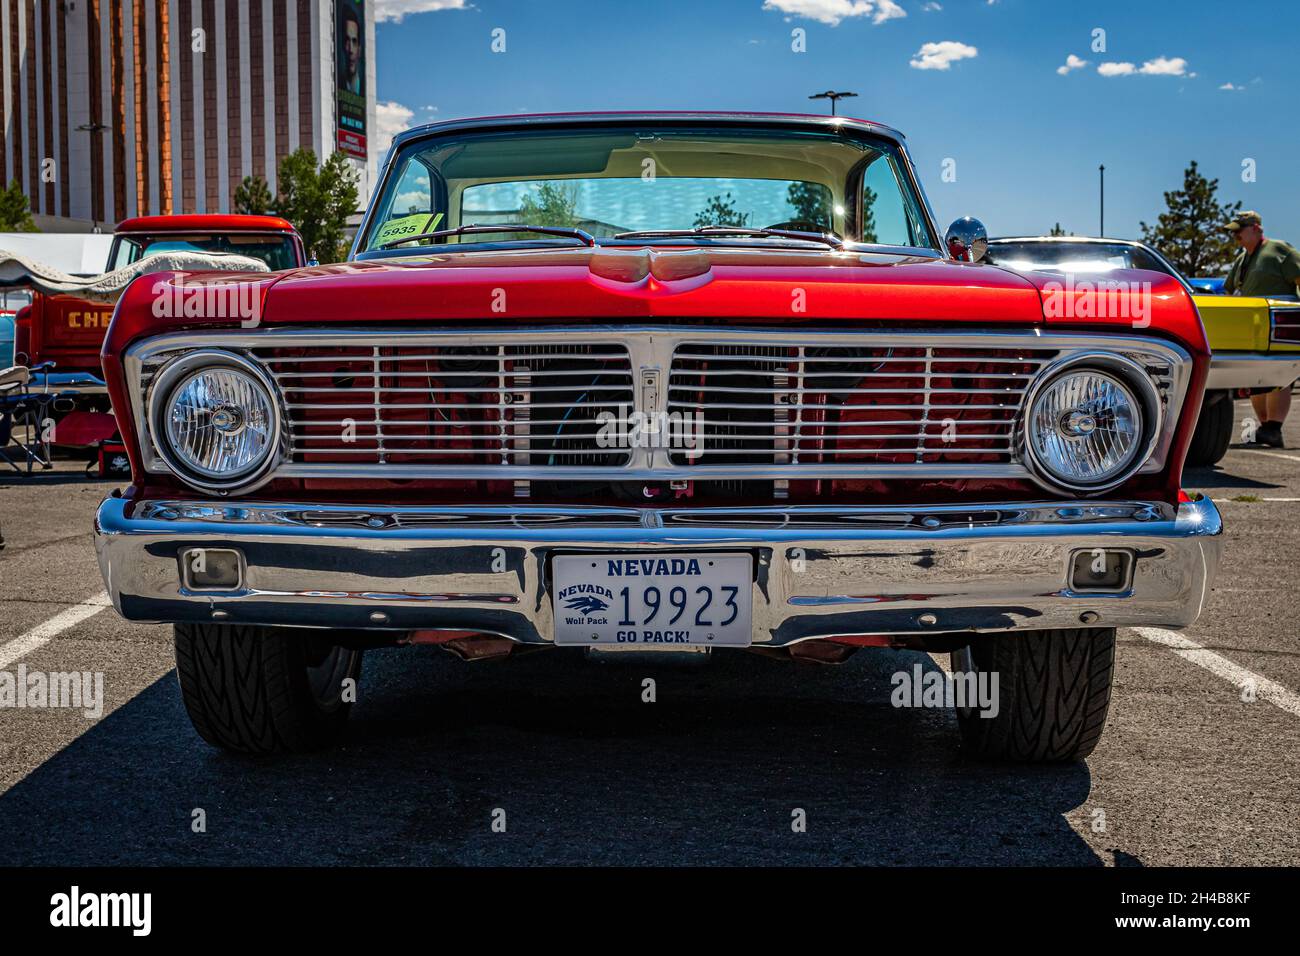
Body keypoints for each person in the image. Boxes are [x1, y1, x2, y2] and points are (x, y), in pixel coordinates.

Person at [1223, 211, 1300, 448]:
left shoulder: (1279, 251)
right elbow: (1229, 290)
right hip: (1253, 325)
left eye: (1240, 230)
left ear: (1256, 228)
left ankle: (1273, 427)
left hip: (1280, 323)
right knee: (1256, 376)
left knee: (1277, 374)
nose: (1235, 235)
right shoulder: (1242, 260)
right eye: (1233, 231)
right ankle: (1266, 427)